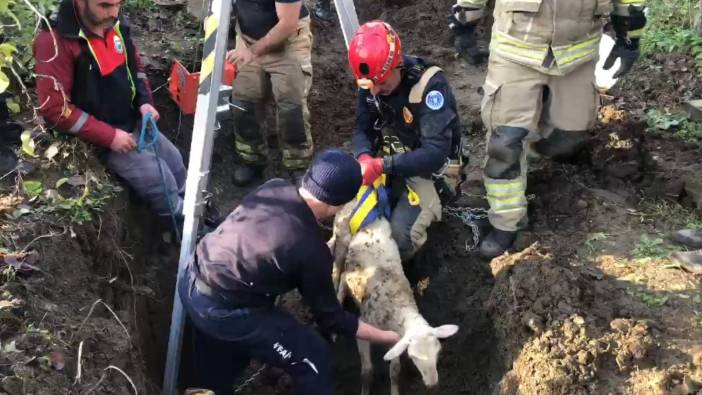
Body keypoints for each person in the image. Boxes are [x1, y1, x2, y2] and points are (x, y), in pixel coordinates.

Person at [180, 150, 401, 395]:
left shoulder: (274, 187)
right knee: (313, 356)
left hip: (192, 280)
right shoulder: (310, 249)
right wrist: (388, 336)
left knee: (220, 363)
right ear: (338, 205)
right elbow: (332, 318)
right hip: (224, 313)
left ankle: (209, 386)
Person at [448, 0, 646, 257]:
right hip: (515, 51)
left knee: (570, 135)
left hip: (578, 55)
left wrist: (629, 37)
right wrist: (464, 25)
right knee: (505, 144)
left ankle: (532, 148)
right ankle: (506, 223)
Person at [33, 0, 189, 226]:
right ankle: (180, 224)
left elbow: (136, 67)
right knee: (159, 181)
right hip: (100, 138)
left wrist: (145, 103)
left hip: (132, 121)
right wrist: (109, 137)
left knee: (175, 162)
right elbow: (55, 109)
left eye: (119, 4)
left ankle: (194, 208)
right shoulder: (55, 41)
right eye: (105, 5)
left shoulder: (114, 22)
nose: (114, 13)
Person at [348, 21, 464, 261]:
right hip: (393, 162)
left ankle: (411, 269)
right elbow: (362, 128)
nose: (374, 92)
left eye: (382, 84)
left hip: (431, 172)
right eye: (368, 85)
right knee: (355, 217)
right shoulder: (371, 79)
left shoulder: (429, 86)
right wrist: (363, 156)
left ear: (397, 65)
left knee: (400, 236)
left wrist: (382, 166)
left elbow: (435, 153)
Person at [227, 0, 314, 186]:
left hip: (289, 40)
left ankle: (297, 166)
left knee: (291, 104)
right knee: (243, 99)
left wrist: (254, 51)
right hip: (248, 37)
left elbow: (287, 24)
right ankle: (251, 159)